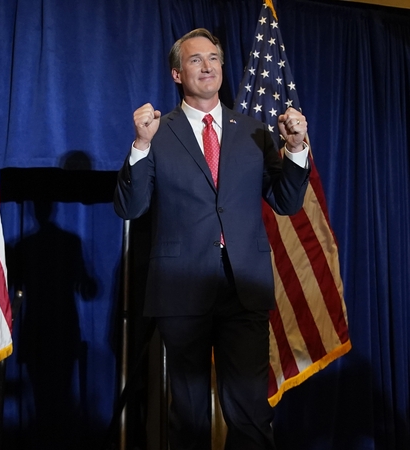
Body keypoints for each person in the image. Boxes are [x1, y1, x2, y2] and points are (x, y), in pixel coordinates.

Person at [113, 28, 311, 450]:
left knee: (252, 414)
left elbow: (286, 202)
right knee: (188, 419)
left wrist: (295, 150)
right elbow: (130, 207)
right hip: (181, 288)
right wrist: (139, 145)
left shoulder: (255, 132)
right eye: (195, 60)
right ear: (176, 74)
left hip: (244, 288)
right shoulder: (157, 133)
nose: (207, 66)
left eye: (214, 58)